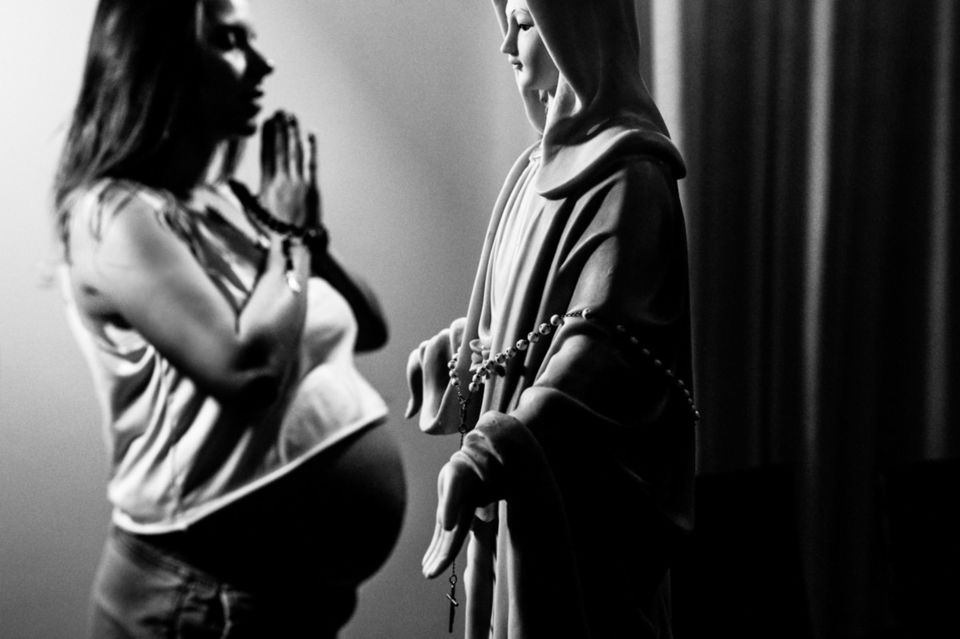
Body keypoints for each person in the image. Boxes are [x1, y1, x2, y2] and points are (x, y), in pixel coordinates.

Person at [54, 0, 405, 636]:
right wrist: (288, 236)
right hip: (196, 605)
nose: (261, 64)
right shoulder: (113, 214)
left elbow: (370, 324)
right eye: (229, 40)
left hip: (281, 608)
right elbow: (248, 372)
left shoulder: (226, 204)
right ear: (156, 58)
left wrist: (308, 238)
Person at [405, 0, 696, 636]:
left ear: (577, 27)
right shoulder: (530, 173)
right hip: (511, 503)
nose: (507, 44)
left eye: (525, 21)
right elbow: (518, 323)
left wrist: (491, 452)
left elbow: (606, 358)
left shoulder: (631, 179)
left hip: (578, 524)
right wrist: (463, 351)